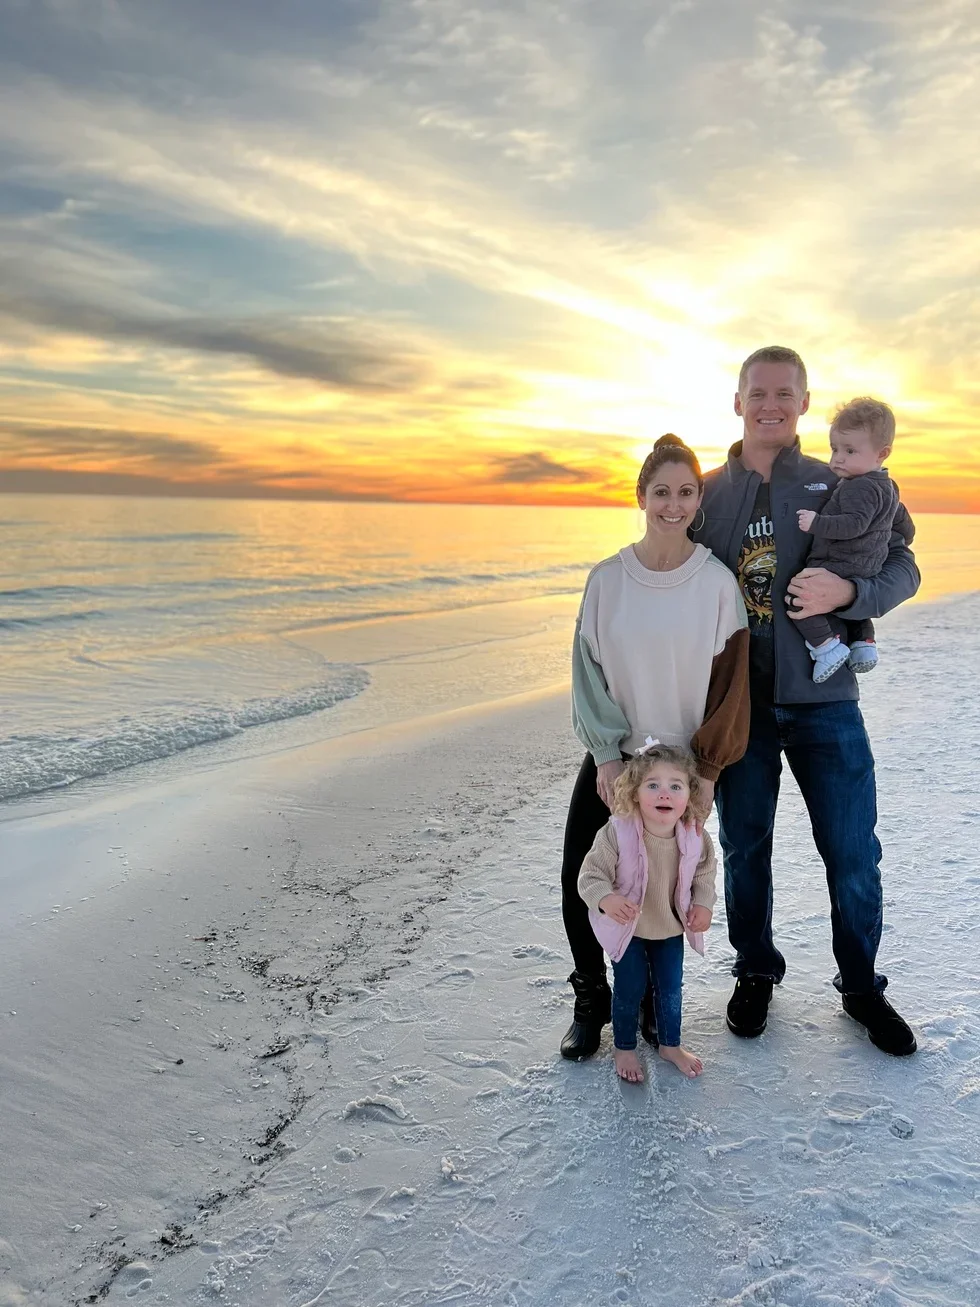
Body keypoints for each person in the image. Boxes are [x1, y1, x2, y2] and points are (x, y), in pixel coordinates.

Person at [692, 346, 920, 1056]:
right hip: (740, 709)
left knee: (853, 851)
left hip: (827, 702)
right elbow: (668, 581)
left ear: (804, 401)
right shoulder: (704, 492)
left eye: (784, 392)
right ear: (737, 401)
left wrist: (851, 594)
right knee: (744, 847)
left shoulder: (846, 478)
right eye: (758, 391)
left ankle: (861, 987)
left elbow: (905, 562)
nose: (771, 403)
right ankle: (755, 968)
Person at [560, 433, 750, 1061]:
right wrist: (608, 755)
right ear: (641, 496)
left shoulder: (718, 583)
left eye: (687, 492)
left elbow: (730, 684)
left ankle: (643, 1005)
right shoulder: (607, 580)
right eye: (661, 491)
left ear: (699, 499)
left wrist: (709, 773)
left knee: (666, 886)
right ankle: (592, 996)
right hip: (618, 760)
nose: (674, 504)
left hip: (681, 773)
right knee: (581, 877)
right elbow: (587, 671)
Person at [577, 744, 717, 1082]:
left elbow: (704, 874)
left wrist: (703, 904)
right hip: (629, 928)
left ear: (688, 796)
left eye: (675, 786)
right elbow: (590, 875)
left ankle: (670, 1044)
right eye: (652, 785)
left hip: (669, 928)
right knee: (630, 987)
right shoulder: (618, 832)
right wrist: (606, 899)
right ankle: (624, 1046)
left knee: (670, 987)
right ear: (635, 793)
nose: (664, 793)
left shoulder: (694, 837)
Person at [793, 397, 915, 682]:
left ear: (882, 453)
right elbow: (902, 523)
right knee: (855, 613)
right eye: (835, 449)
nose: (838, 458)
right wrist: (906, 535)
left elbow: (854, 524)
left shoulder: (854, 487)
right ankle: (864, 644)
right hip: (866, 567)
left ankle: (826, 648)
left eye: (849, 451)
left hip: (841, 563)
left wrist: (817, 523)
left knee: (798, 599)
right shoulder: (888, 486)